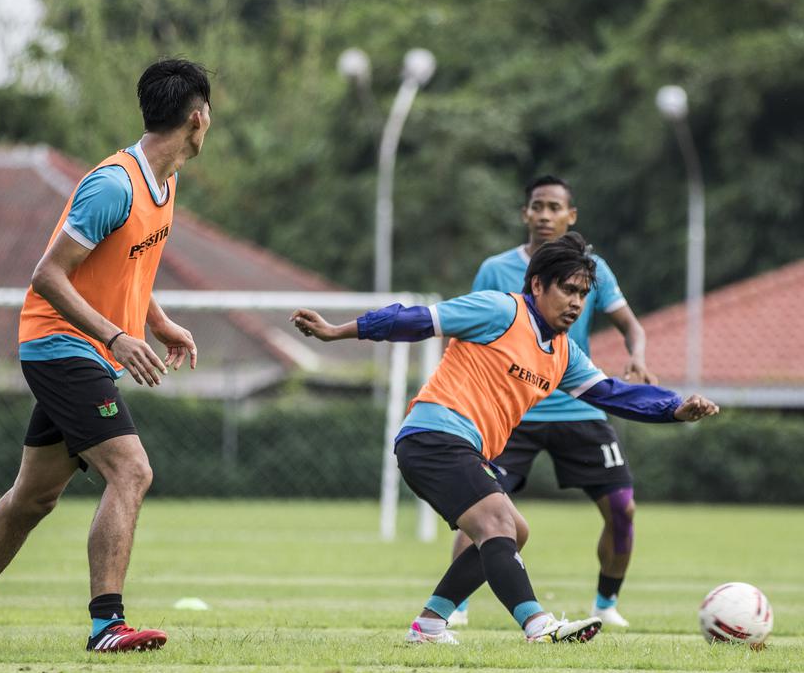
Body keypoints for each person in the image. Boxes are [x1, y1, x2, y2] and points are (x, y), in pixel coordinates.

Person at [0, 58, 212, 652]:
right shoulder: (114, 183)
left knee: (33, 497)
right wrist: (118, 337)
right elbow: (48, 276)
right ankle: (108, 625)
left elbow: (129, 268)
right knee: (132, 470)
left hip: (88, 350)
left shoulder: (164, 182)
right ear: (198, 118)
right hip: (60, 346)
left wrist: (157, 321)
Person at [291, 232, 719, 644]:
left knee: (515, 531)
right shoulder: (500, 310)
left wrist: (673, 408)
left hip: (461, 447)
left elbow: (612, 394)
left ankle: (429, 625)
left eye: (583, 295)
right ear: (537, 284)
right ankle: (538, 624)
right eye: (568, 290)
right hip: (433, 435)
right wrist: (337, 330)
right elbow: (417, 320)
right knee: (497, 523)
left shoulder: (564, 352)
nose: (576, 303)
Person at [448, 175, 656, 629]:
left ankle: (606, 603)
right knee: (480, 509)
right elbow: (464, 326)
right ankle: (457, 608)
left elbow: (631, 326)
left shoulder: (592, 269)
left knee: (622, 508)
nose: (545, 215)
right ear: (525, 214)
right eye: (537, 206)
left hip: (579, 407)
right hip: (513, 410)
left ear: (570, 216)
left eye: (554, 207)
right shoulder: (495, 269)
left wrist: (637, 357)